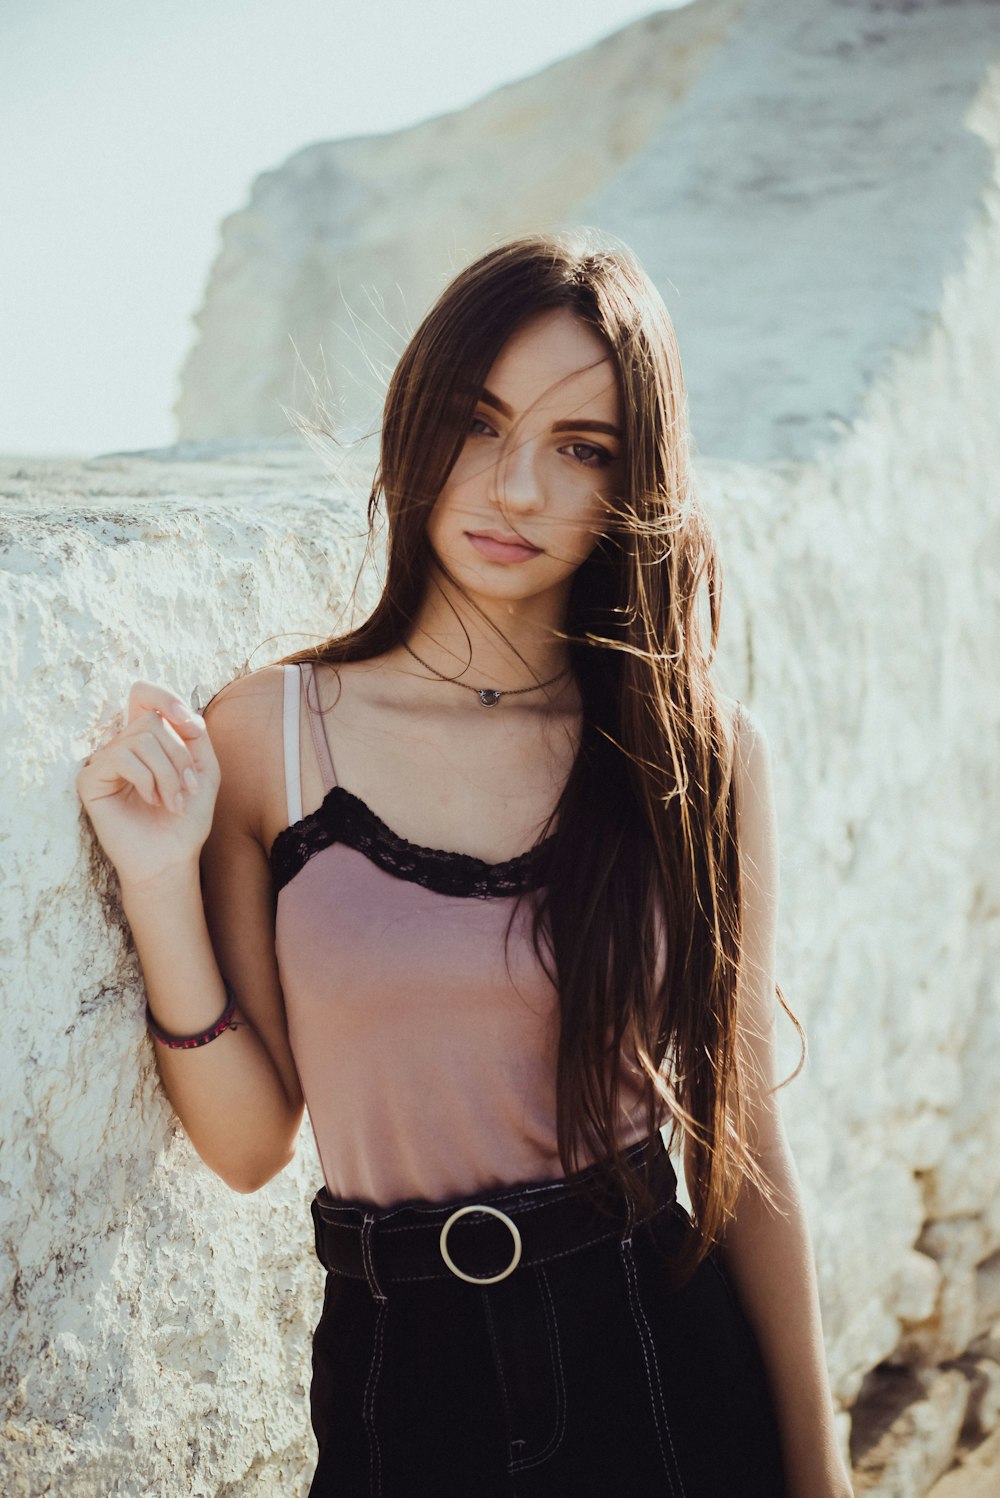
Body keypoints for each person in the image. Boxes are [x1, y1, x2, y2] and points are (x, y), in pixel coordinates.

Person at [76, 229, 854, 1498]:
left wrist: (817, 1475)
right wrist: (160, 882)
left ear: (632, 483)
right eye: (480, 424)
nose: (517, 489)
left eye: (580, 448)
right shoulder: (272, 734)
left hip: (660, 1348)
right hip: (400, 1374)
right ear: (416, 425)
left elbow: (740, 1130)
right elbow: (250, 1141)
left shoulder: (694, 753)